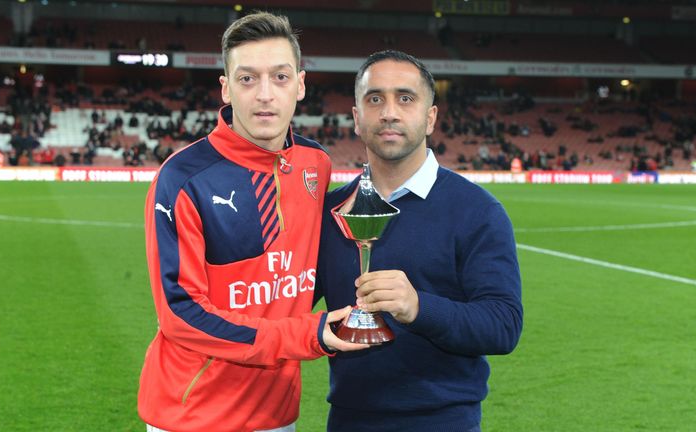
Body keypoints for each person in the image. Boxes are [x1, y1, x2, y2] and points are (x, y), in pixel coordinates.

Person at [138, 12, 367, 432]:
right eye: (247, 79)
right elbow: (180, 313)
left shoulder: (315, 163)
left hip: (276, 415)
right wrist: (306, 335)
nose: (265, 94)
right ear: (225, 89)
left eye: (279, 78)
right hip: (193, 415)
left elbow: (302, 270)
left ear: (300, 85)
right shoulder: (182, 179)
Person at [314, 50, 523, 432]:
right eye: (375, 99)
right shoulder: (328, 212)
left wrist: (418, 307)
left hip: (444, 421)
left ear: (430, 118)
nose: (389, 112)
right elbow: (283, 301)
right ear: (357, 118)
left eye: (405, 98)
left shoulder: (477, 210)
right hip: (348, 419)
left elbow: (504, 324)